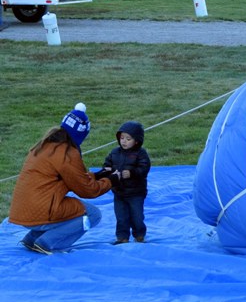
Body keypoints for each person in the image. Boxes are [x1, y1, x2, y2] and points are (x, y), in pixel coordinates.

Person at [9, 103, 112, 254]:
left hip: (21, 210)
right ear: (81, 134)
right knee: (93, 214)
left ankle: (31, 239)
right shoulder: (67, 153)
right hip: (42, 210)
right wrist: (111, 181)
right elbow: (87, 190)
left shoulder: (45, 145)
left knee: (64, 209)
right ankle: (47, 243)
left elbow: (69, 178)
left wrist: (98, 175)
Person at [100, 121, 151, 245]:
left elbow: (144, 168)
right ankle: (122, 237)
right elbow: (107, 164)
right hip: (119, 192)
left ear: (137, 141)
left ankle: (139, 235)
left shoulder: (141, 153)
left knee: (137, 216)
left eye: (128, 139)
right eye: (122, 138)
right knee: (121, 217)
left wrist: (132, 172)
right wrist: (107, 170)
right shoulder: (114, 152)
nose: (124, 141)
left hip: (136, 193)